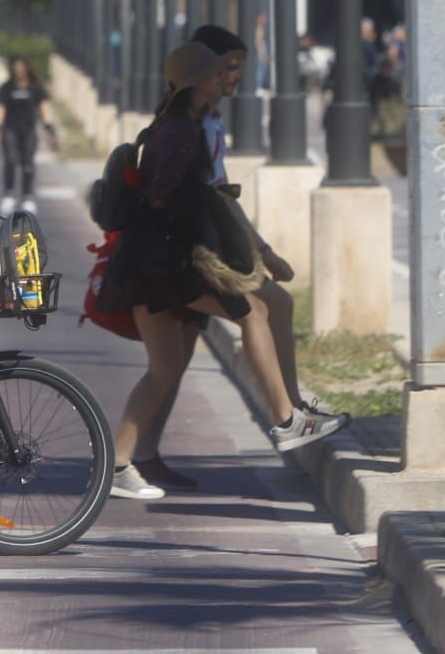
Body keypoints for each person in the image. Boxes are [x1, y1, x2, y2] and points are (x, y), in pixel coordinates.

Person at [99, 41, 348, 500]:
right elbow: (161, 196)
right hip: (165, 263)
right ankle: (288, 420)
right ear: (196, 82)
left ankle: (119, 465)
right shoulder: (180, 132)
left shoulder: (179, 126)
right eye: (218, 74)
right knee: (251, 312)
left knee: (166, 365)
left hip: (159, 261)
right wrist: (208, 235)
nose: (226, 80)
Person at [0, 56, 57, 216]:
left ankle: (27, 197)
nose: (18, 71)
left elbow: (44, 108)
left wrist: (49, 128)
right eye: (16, 68)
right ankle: (9, 194)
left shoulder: (35, 88)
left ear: (26, 68)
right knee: (10, 160)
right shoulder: (7, 88)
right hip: (10, 130)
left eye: (21, 67)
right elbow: (0, 109)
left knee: (28, 163)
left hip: (28, 131)